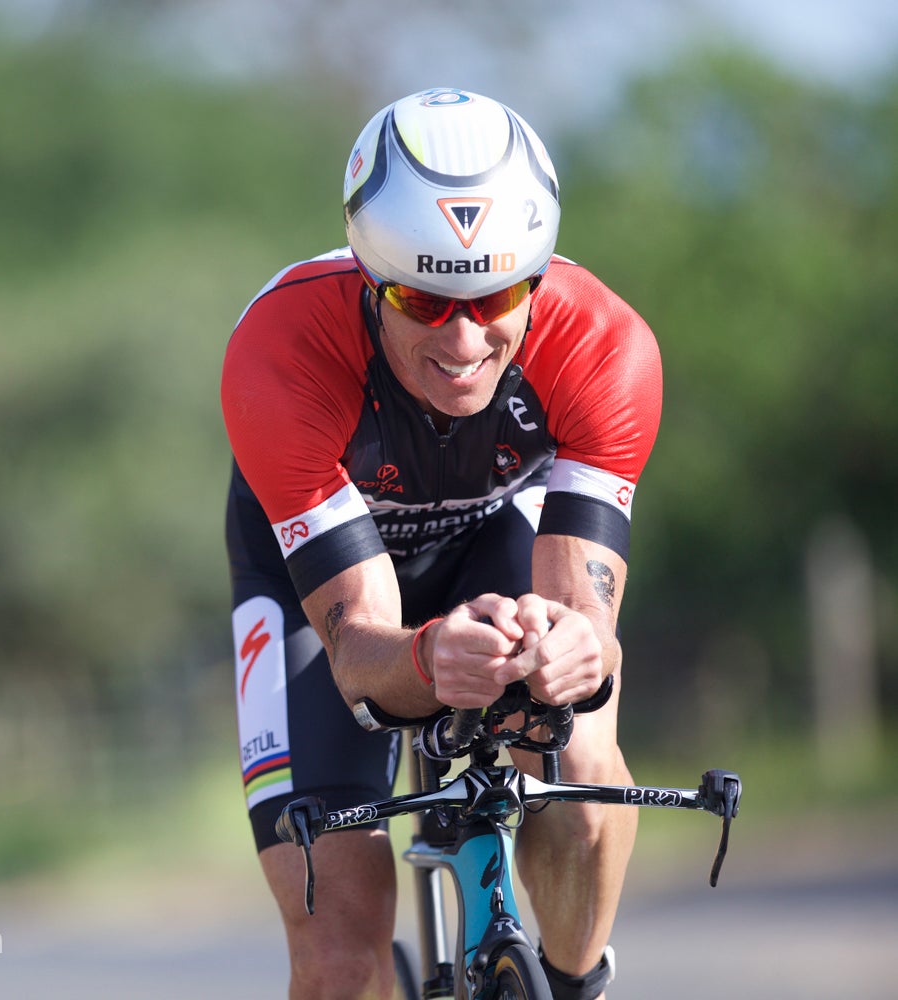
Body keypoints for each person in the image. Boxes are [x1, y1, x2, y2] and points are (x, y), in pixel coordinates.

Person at [221, 88, 661, 1000]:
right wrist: (426, 655)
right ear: (368, 275)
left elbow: (589, 616)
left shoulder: (603, 346)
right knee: (341, 955)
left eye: (497, 295)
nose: (464, 339)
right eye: (422, 301)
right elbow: (356, 653)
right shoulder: (281, 350)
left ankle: (574, 986)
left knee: (583, 779)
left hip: (496, 538)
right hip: (318, 588)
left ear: (535, 274)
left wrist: (579, 647)